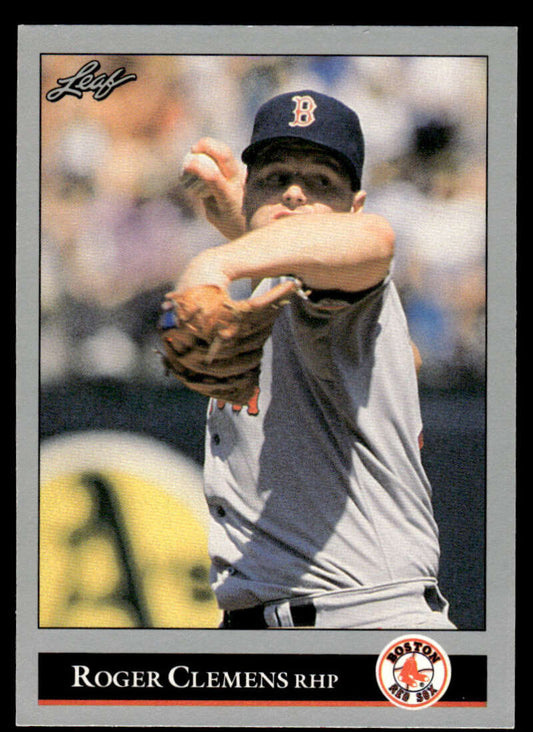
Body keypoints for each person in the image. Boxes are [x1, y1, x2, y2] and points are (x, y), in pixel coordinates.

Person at [171, 89, 455, 629]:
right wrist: (249, 232)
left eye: (322, 182)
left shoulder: (354, 277)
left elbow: (375, 242)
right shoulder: (285, 292)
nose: (296, 193)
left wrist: (220, 258)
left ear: (355, 205)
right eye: (275, 178)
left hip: (365, 626)